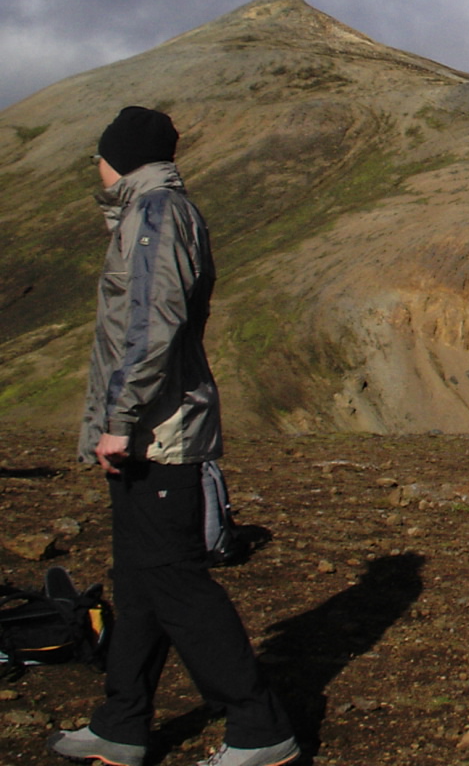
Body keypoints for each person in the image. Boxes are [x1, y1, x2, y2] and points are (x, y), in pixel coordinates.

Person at [47, 107, 299, 766]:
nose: (93, 167)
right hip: (148, 429)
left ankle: (259, 727)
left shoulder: (157, 215)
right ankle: (121, 722)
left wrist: (120, 421)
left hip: (159, 433)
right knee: (136, 585)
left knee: (177, 583)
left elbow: (153, 325)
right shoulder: (146, 213)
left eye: (99, 155)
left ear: (121, 156)